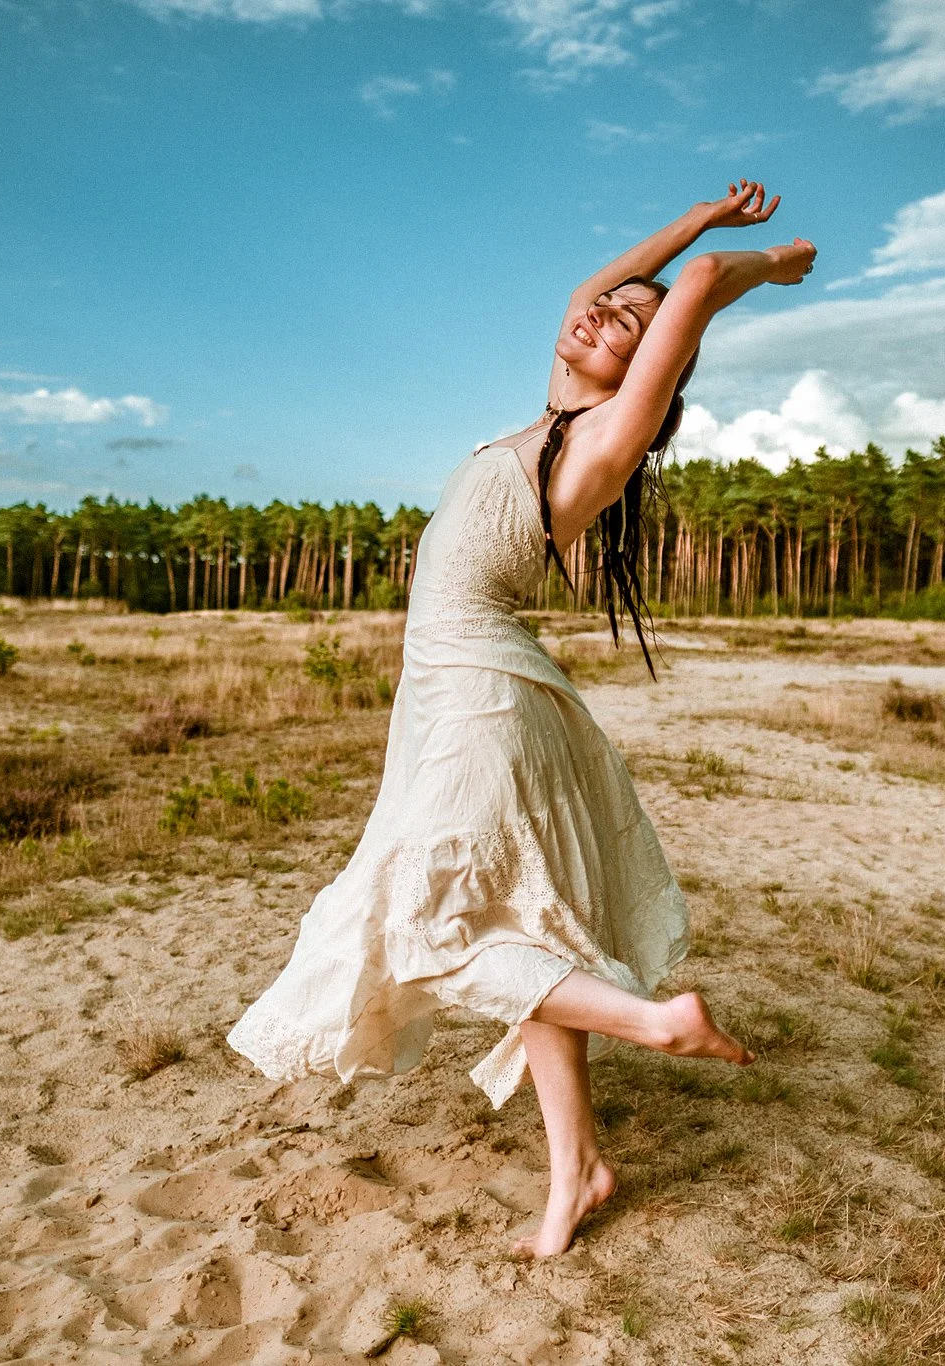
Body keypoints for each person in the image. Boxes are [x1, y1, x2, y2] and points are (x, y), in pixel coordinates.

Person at [228, 181, 817, 1257]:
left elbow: (683, 295)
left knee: (428, 925)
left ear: (647, 372)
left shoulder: (602, 436)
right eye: (600, 308)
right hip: (459, 689)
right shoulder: (553, 403)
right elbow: (603, 284)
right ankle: (576, 1174)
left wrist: (753, 268)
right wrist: (697, 219)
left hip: (481, 697)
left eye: (629, 324)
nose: (600, 312)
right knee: (532, 940)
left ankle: (654, 1021)